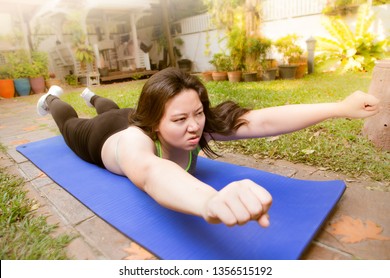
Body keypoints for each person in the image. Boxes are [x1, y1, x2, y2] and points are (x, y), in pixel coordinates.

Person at [37, 67, 380, 228]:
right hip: (101, 135)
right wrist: (208, 200)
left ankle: (93, 95)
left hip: (136, 115)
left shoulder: (191, 123)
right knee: (70, 123)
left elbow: (262, 121)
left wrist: (339, 107)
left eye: (198, 113)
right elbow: (154, 174)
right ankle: (52, 100)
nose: (195, 126)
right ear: (156, 123)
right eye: (181, 120)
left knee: (111, 106)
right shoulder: (134, 144)